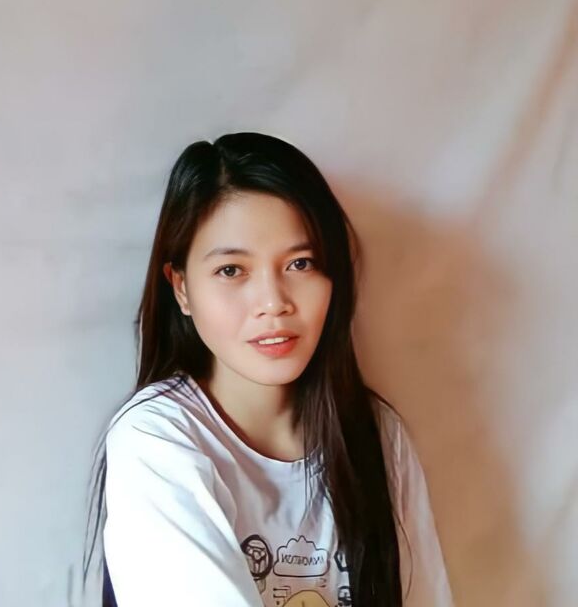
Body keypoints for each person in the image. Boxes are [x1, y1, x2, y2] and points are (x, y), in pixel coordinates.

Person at [82, 132, 454, 607]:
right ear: (181, 289)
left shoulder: (376, 435)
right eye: (232, 271)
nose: (274, 302)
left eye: (300, 263)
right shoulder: (157, 438)